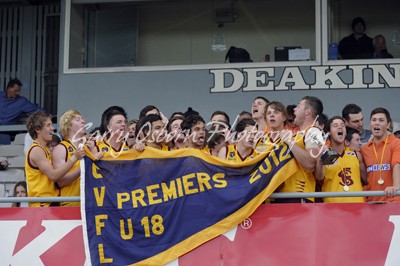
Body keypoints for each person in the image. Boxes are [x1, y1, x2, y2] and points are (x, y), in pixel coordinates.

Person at [25, 111, 85, 207]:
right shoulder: (36, 150)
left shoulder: (43, 149)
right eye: (48, 125)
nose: (52, 128)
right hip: (42, 205)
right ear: (37, 129)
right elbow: (53, 175)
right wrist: (75, 158)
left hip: (50, 202)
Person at [277, 96, 325, 203]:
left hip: (299, 196)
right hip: (284, 195)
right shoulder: (296, 135)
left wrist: (289, 141)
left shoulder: (313, 132)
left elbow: (310, 163)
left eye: (299, 106)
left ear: (307, 111)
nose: (294, 109)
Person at [314, 116, 365, 203]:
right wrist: (320, 159)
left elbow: (367, 180)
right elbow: (319, 177)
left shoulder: (356, 154)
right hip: (333, 208)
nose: (340, 127)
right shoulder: (324, 154)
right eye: (335, 125)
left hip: (357, 208)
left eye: (342, 125)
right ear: (329, 132)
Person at [361, 107, 400, 202]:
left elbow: (396, 165)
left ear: (388, 125)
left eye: (381, 120)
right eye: (374, 120)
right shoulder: (364, 148)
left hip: (393, 200)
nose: (377, 123)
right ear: (370, 124)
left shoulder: (396, 143)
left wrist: (395, 187)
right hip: (371, 202)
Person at [52, 110, 87, 207]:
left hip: (89, 205)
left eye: (82, 119)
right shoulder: (61, 148)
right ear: (68, 126)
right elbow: (61, 181)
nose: (83, 121)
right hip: (70, 205)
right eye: (78, 119)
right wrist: (83, 168)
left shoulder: (88, 147)